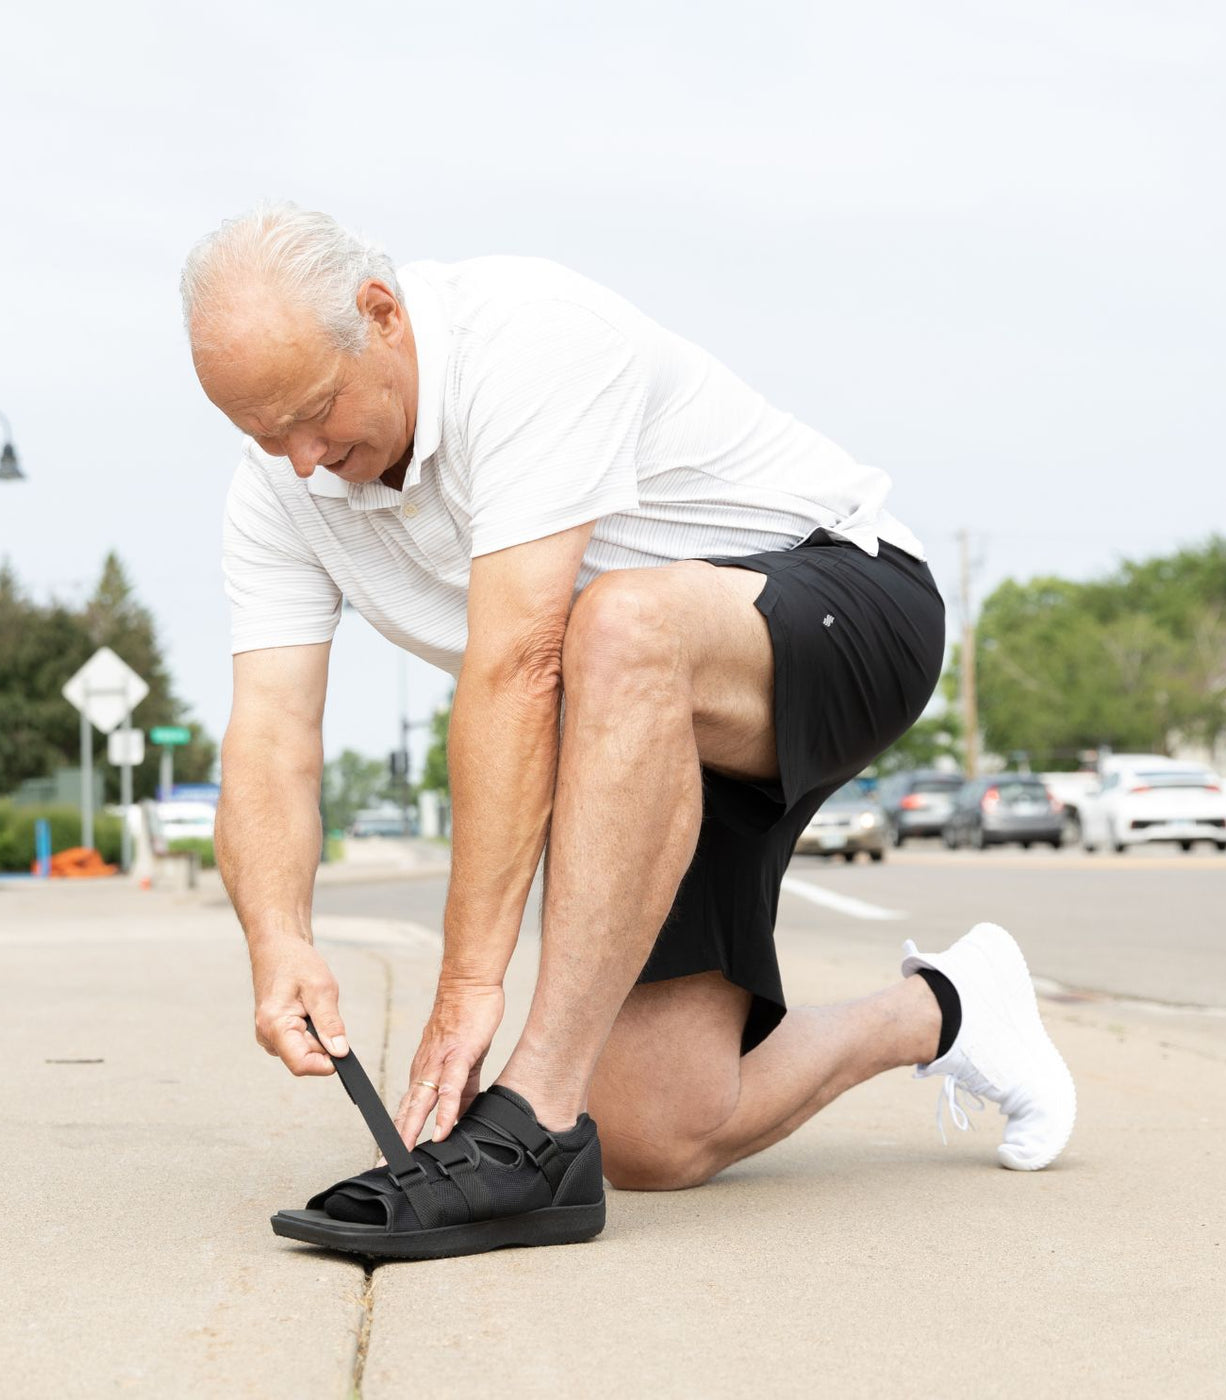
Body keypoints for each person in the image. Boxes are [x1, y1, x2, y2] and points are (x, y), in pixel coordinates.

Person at [181, 202, 1076, 1261]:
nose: (301, 458)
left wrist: (474, 988)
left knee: (614, 620)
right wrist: (276, 935)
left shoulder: (525, 339)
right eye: (262, 433)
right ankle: (947, 1005)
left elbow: (518, 666)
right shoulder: (282, 494)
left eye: (315, 411)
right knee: (655, 1129)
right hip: (646, 725)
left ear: (379, 314)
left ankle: (530, 1130)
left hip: (845, 605)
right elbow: (271, 737)